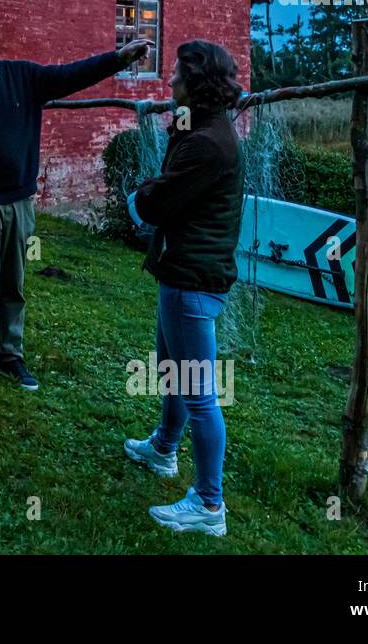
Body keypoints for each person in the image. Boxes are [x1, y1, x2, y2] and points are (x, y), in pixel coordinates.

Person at [0, 19, 153, 402]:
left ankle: (8, 355)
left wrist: (117, 59)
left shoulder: (24, 78)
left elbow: (71, 75)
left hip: (20, 199)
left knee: (14, 281)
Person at [124, 40, 245, 537]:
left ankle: (209, 504)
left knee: (200, 394)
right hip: (183, 271)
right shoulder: (198, 125)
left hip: (193, 278)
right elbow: (173, 170)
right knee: (171, 369)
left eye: (175, 73)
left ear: (196, 82)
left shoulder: (209, 143)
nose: (167, 80)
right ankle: (164, 448)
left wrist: (137, 197)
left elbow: (160, 200)